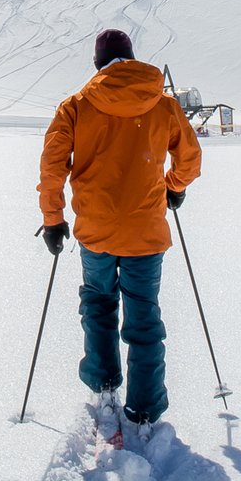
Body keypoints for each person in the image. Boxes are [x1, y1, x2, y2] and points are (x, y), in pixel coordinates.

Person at [36, 28, 202, 427]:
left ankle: (103, 381)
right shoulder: (162, 104)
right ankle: (145, 405)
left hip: (96, 232)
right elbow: (190, 159)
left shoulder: (75, 105)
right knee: (144, 316)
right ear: (130, 58)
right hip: (145, 232)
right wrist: (172, 188)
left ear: (97, 64)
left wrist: (53, 220)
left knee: (98, 304)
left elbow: (52, 168)